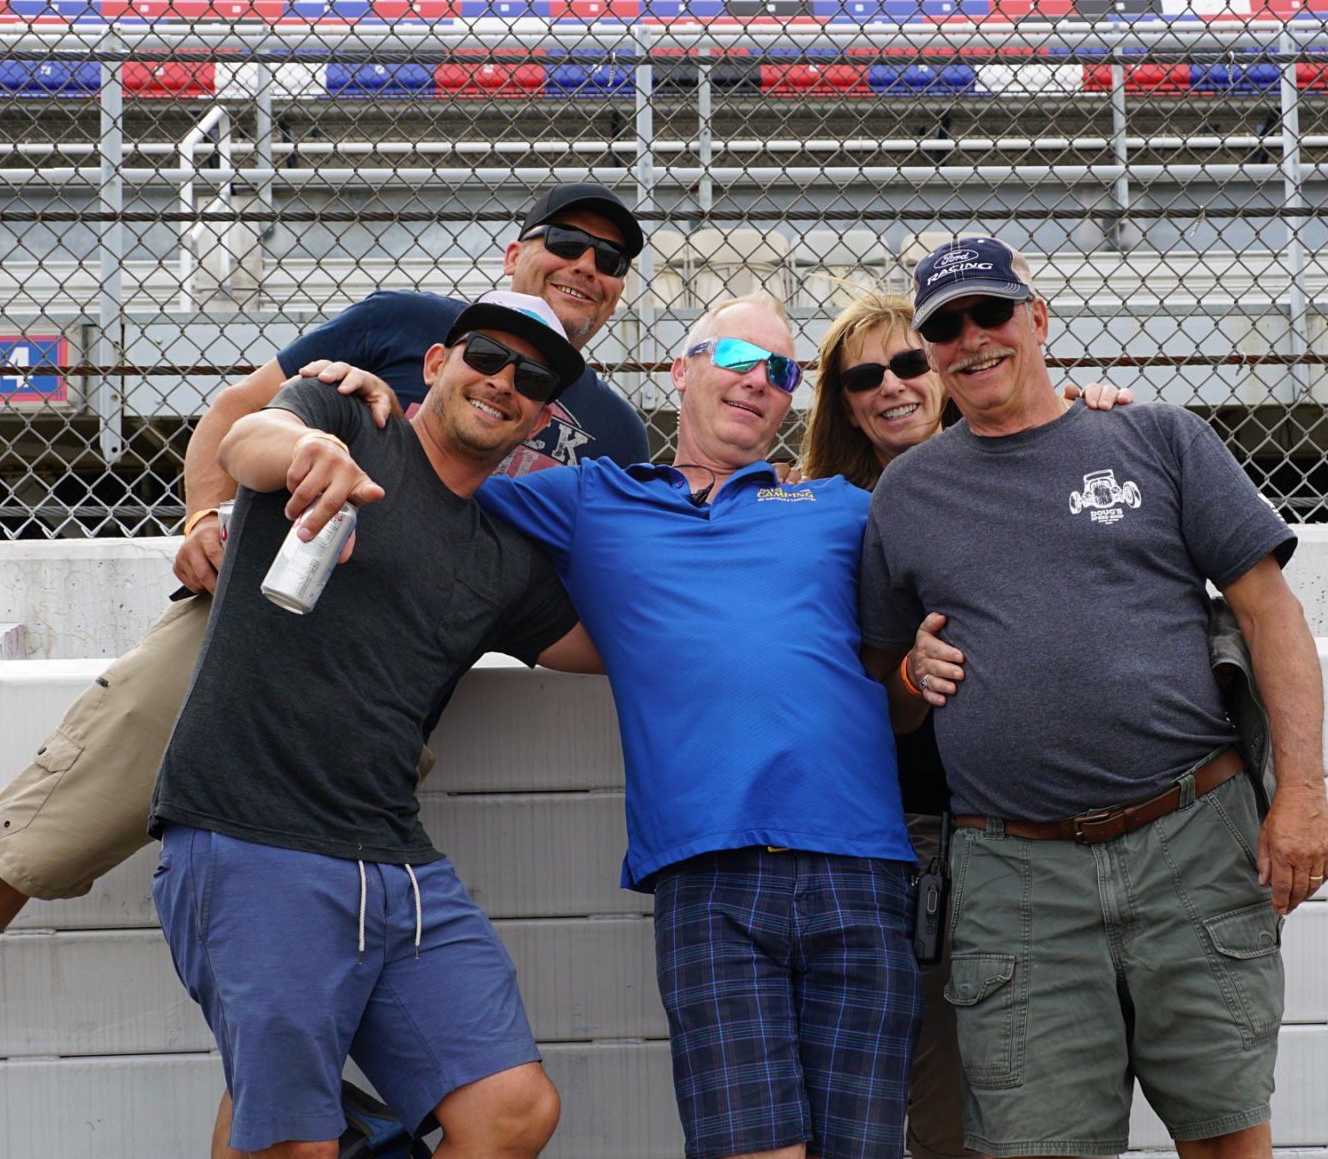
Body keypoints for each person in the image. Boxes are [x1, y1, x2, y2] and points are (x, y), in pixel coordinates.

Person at [0, 183, 648, 1159]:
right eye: (567, 242)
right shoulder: (403, 330)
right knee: (44, 835)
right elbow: (240, 417)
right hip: (250, 626)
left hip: (396, 690)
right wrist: (207, 520)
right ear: (510, 256)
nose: (586, 269)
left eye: (611, 260)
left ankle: (317, 1115)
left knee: (320, 964)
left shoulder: (613, 431)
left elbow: (595, 592)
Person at [857, 237, 1328, 1159]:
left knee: (1226, 1133)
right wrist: (911, 676)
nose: (971, 339)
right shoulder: (907, 493)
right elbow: (881, 688)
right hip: (1016, 867)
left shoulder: (1155, 437)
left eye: (989, 312)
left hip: (1192, 836)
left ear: (1036, 319)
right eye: (945, 327)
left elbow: (1273, 614)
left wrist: (1302, 793)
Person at [151, 292, 602, 1159]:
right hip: (254, 835)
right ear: (436, 363)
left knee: (512, 1108)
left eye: (531, 376)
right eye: (484, 356)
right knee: (293, 1142)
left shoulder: (503, 560)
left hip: (394, 862)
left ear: (543, 416)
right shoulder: (346, 417)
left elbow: (618, 646)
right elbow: (248, 438)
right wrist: (309, 449)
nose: (503, 380)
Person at [475, 295, 928, 1159]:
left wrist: (1090, 411)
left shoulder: (841, 507)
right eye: (736, 354)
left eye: (782, 371)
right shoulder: (590, 499)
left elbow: (982, 491)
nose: (759, 379)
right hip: (708, 876)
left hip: (863, 866)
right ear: (677, 370)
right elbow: (437, 479)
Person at [799, 290, 1124, 1159]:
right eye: (865, 375)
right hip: (908, 834)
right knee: (944, 1101)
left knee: (1049, 1090)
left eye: (909, 362)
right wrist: (905, 669)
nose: (893, 385)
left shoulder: (1032, 460)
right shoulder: (820, 514)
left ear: (942, 370)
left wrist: (1090, 414)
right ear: (841, 399)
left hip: (1050, 833)